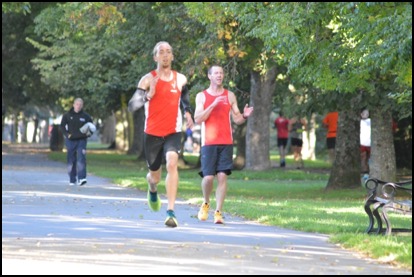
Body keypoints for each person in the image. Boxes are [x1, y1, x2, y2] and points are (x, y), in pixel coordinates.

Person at [135, 41, 194, 228]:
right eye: (161, 52)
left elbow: (184, 98)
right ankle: (152, 188)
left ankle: (171, 211)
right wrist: (148, 95)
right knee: (155, 176)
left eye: (169, 52)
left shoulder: (181, 79)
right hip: (152, 133)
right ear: (155, 57)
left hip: (173, 131)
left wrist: (187, 112)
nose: (165, 55)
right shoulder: (146, 80)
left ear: (173, 56)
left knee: (171, 162)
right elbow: (132, 105)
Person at [194, 65, 253, 224]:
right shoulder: (202, 96)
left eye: (221, 73)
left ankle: (218, 212)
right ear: (209, 76)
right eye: (216, 73)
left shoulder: (230, 95)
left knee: (221, 176)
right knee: (208, 178)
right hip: (208, 143)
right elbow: (198, 119)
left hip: (226, 142)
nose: (219, 75)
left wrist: (245, 116)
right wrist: (213, 105)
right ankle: (206, 203)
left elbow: (237, 119)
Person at [60, 98, 95, 186]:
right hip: (70, 140)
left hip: (81, 140)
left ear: (82, 106)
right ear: (74, 105)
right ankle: (72, 179)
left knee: (81, 158)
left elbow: (91, 128)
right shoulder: (67, 115)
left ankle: (82, 178)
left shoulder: (86, 116)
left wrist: (87, 134)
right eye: (77, 104)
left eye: (80, 104)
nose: (78, 106)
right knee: (71, 160)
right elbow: (62, 126)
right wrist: (67, 135)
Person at [360, 108, 371, 180]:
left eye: (367, 113)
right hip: (362, 143)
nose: (366, 115)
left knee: (369, 159)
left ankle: (370, 172)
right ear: (361, 114)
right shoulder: (359, 122)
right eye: (364, 113)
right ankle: (365, 173)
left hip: (370, 143)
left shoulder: (370, 121)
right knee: (363, 158)